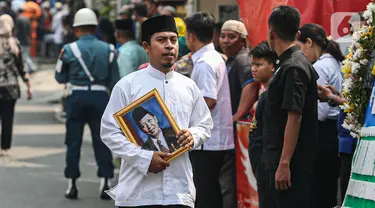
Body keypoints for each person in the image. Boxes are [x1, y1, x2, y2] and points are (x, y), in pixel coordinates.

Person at [100, 15, 213, 208]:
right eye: (161, 40)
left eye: (173, 40)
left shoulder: (189, 86)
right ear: (146, 46)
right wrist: (143, 159)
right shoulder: (128, 85)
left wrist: (192, 136)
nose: (169, 46)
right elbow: (109, 131)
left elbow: (204, 124)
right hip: (138, 194)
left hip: (179, 193)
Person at [54, 8, 119, 200]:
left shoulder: (68, 49)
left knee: (73, 142)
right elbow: (114, 80)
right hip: (101, 98)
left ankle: (72, 183)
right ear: (94, 27)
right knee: (102, 140)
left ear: (76, 29)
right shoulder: (109, 50)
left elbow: (59, 76)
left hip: (76, 97)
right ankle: (105, 181)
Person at [263, 5, 318, 207]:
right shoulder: (290, 63)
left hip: (289, 164)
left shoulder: (293, 66)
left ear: (271, 33)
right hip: (279, 158)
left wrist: (284, 163)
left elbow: (294, 116)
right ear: (298, 33)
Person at [184, 12, 235, 208]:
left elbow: (209, 100)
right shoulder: (213, 57)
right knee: (210, 191)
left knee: (205, 193)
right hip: (214, 139)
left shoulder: (205, 62)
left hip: (208, 141)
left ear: (191, 36)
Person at [298, 23, 345, 208]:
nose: (301, 53)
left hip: (323, 134)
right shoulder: (335, 61)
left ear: (309, 42)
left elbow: (321, 112)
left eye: (301, 47)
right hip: (335, 132)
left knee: (319, 189)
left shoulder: (320, 66)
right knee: (328, 188)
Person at [247, 41, 277, 208]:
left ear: (272, 66)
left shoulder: (273, 94)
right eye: (253, 64)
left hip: (269, 165)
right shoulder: (262, 90)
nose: (254, 69)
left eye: (259, 64)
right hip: (260, 165)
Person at [0, 14, 32, 156]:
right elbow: (21, 67)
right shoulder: (15, 44)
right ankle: (5, 147)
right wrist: (28, 85)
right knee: (8, 118)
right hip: (11, 88)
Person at [220, 20, 258, 124]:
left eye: (232, 37)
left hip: (240, 123)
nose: (225, 40)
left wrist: (236, 117)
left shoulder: (243, 59)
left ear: (243, 41)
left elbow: (251, 86)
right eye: (222, 36)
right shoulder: (232, 59)